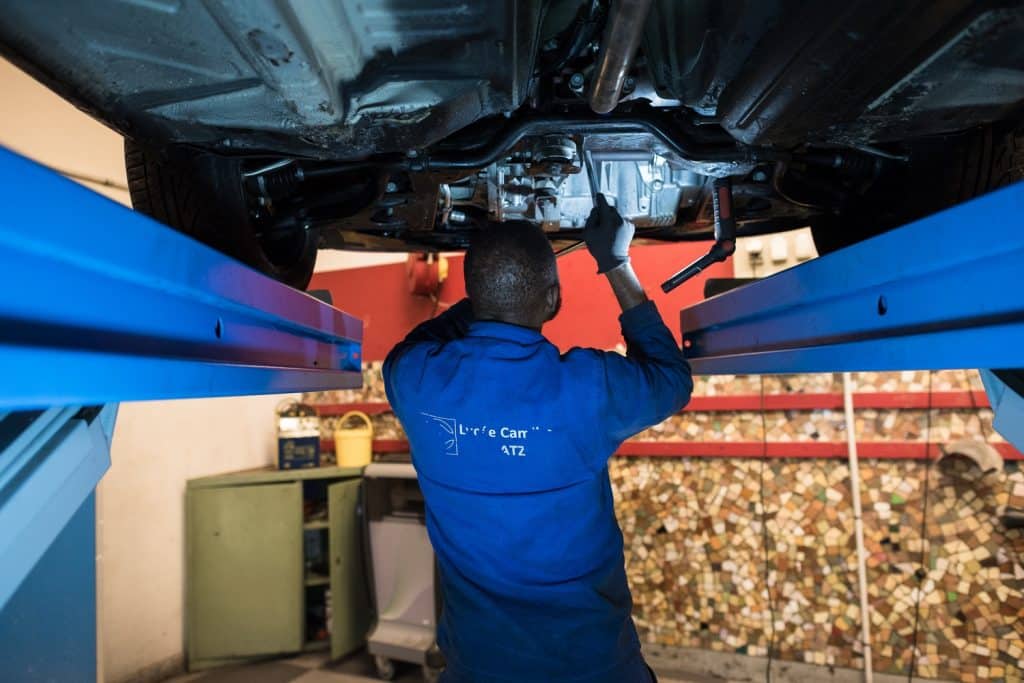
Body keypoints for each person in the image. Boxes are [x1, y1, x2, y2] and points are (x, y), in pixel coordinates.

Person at [383, 194, 693, 683]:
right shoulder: (588, 389)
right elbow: (672, 380)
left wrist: (488, 294)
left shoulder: (415, 379)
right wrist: (615, 263)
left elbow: (416, 344)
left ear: (476, 295)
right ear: (552, 300)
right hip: (595, 670)